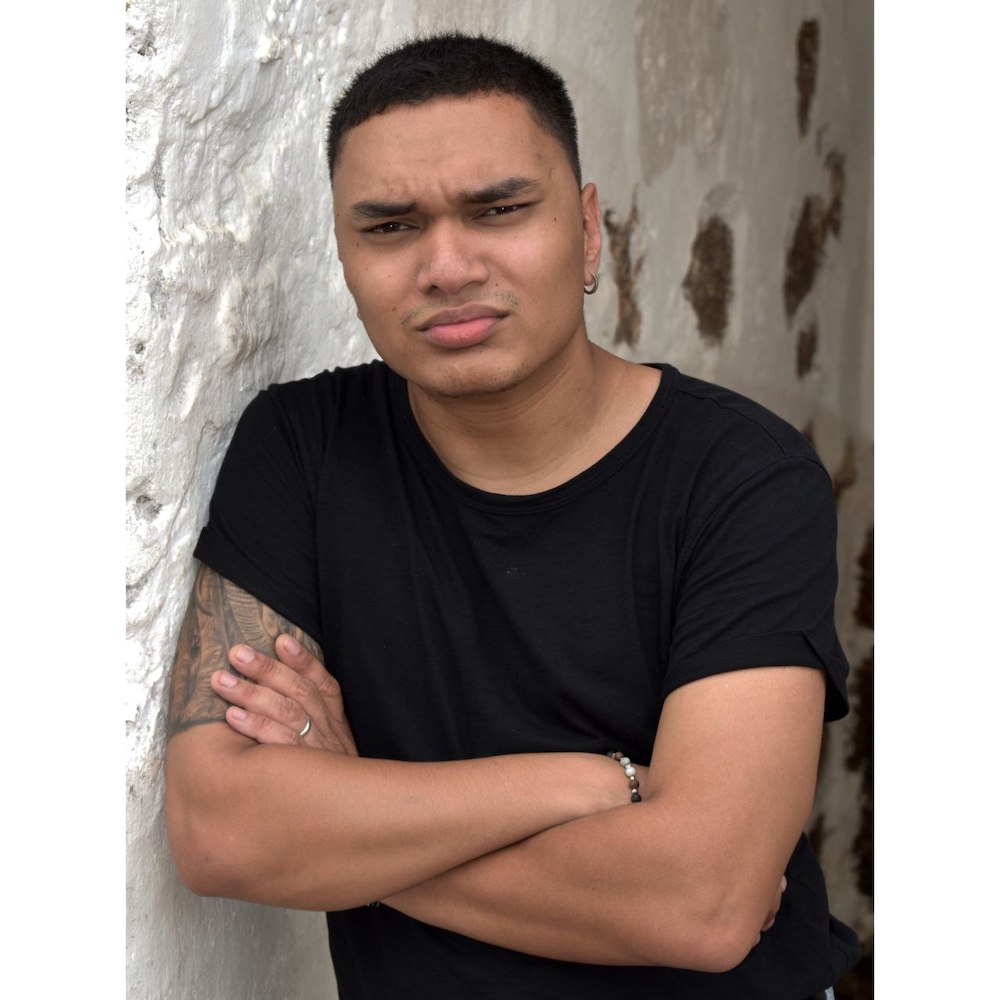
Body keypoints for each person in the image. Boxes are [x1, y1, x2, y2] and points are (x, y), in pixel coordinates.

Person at [165, 33, 860, 999]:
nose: (446, 266)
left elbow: (701, 903)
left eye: (498, 209)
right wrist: (602, 782)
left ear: (586, 232)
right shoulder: (303, 448)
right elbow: (221, 833)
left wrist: (350, 815)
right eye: (390, 227)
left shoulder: (740, 477)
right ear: (345, 255)